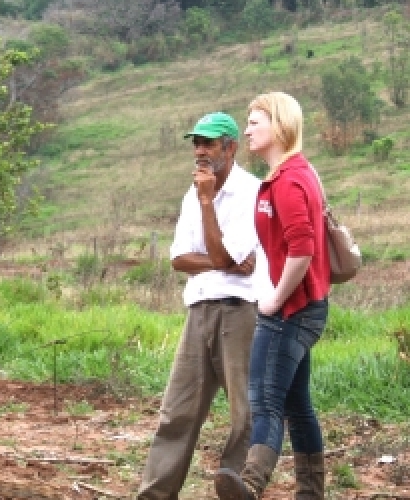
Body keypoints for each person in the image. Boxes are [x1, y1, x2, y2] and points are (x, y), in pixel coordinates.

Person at [137, 112, 265, 500]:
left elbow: (227, 254)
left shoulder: (252, 192)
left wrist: (208, 202)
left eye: (209, 143)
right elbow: (179, 259)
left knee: (244, 410)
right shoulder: (189, 194)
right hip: (199, 310)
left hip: (239, 311)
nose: (200, 151)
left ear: (231, 147)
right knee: (177, 410)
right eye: (196, 143)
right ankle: (155, 494)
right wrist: (219, 260)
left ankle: (237, 486)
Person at [214, 92, 330, 500]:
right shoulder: (297, 172)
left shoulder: (288, 181)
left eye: (255, 122)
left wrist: (275, 299)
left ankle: (250, 483)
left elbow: (303, 248)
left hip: (292, 309)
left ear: (279, 127)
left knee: (265, 400)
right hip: (306, 306)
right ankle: (310, 493)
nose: (246, 129)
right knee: (298, 404)